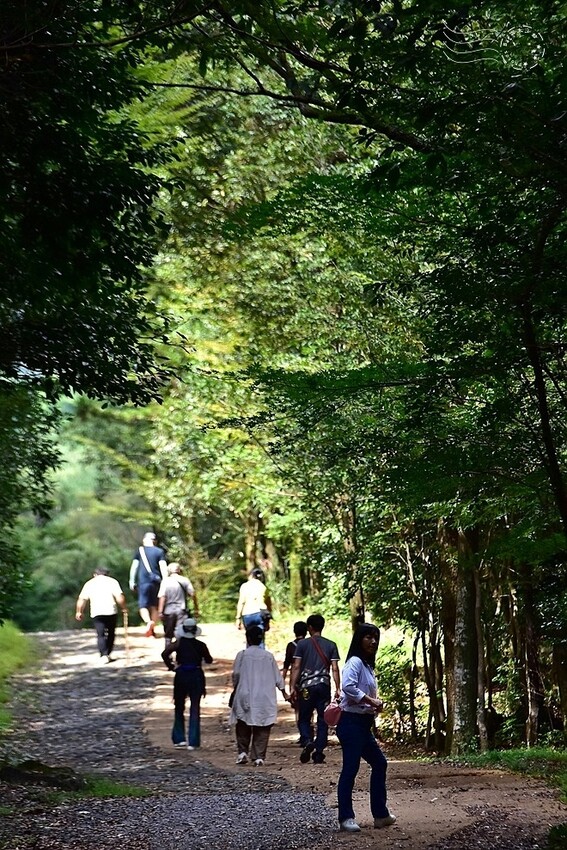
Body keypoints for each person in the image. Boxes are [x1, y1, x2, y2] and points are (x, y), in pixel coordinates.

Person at [335, 623, 396, 833]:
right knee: (350, 769)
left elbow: (360, 693)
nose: (373, 641)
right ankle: (346, 817)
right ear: (359, 639)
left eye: (375, 637)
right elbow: (348, 687)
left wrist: (373, 705)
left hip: (362, 724)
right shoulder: (355, 662)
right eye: (368, 637)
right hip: (351, 723)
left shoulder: (368, 666)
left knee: (380, 763)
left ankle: (380, 814)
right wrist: (371, 701)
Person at [230, 624, 289, 766]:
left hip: (245, 693)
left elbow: (236, 674)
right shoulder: (268, 656)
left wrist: (236, 687)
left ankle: (242, 752)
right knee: (263, 725)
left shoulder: (242, 655)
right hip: (265, 696)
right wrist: (284, 692)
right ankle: (259, 756)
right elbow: (277, 677)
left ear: (247, 638)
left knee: (243, 723)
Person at [289, 613, 341, 765]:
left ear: (309, 627)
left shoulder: (302, 645)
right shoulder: (331, 645)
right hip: (324, 686)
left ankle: (306, 741)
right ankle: (319, 753)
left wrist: (292, 686)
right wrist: (338, 687)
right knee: (323, 719)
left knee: (304, 717)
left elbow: (297, 666)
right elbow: (335, 668)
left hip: (306, 687)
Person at [161, 617, 213, 750]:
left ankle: (179, 739)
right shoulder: (201, 645)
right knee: (195, 707)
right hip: (196, 675)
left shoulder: (178, 643)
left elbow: (165, 653)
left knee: (179, 706)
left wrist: (172, 666)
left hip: (181, 674)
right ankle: (193, 741)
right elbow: (209, 660)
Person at [75, 567, 127, 664]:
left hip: (96, 612)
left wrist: (79, 611)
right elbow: (119, 597)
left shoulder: (89, 583)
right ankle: (108, 653)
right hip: (111, 611)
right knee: (111, 633)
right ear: (107, 574)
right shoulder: (112, 582)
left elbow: (82, 599)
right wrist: (124, 608)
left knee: (101, 634)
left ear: (95, 574)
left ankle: (104, 655)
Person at [129, 531, 167, 637]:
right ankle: (153, 626)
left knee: (143, 605)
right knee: (155, 606)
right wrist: (165, 581)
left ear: (144, 540)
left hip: (143, 582)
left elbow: (134, 567)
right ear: (154, 541)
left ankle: (148, 622)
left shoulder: (139, 551)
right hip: (156, 582)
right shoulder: (160, 552)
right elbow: (163, 568)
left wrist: (132, 581)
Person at [157, 562, 199, 648]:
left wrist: (160, 611)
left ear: (169, 571)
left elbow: (162, 597)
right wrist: (196, 608)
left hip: (168, 611)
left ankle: (168, 654)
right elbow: (193, 594)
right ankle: (182, 654)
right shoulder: (185, 580)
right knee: (181, 632)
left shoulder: (165, 581)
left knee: (168, 634)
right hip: (182, 610)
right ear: (179, 570)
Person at [235, 567, 272, 640]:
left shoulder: (244, 586)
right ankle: (260, 650)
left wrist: (238, 618)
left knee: (250, 638)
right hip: (261, 614)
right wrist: (268, 620)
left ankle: (250, 650)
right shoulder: (263, 587)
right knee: (260, 638)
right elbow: (268, 603)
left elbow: (241, 602)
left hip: (247, 614)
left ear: (251, 575)